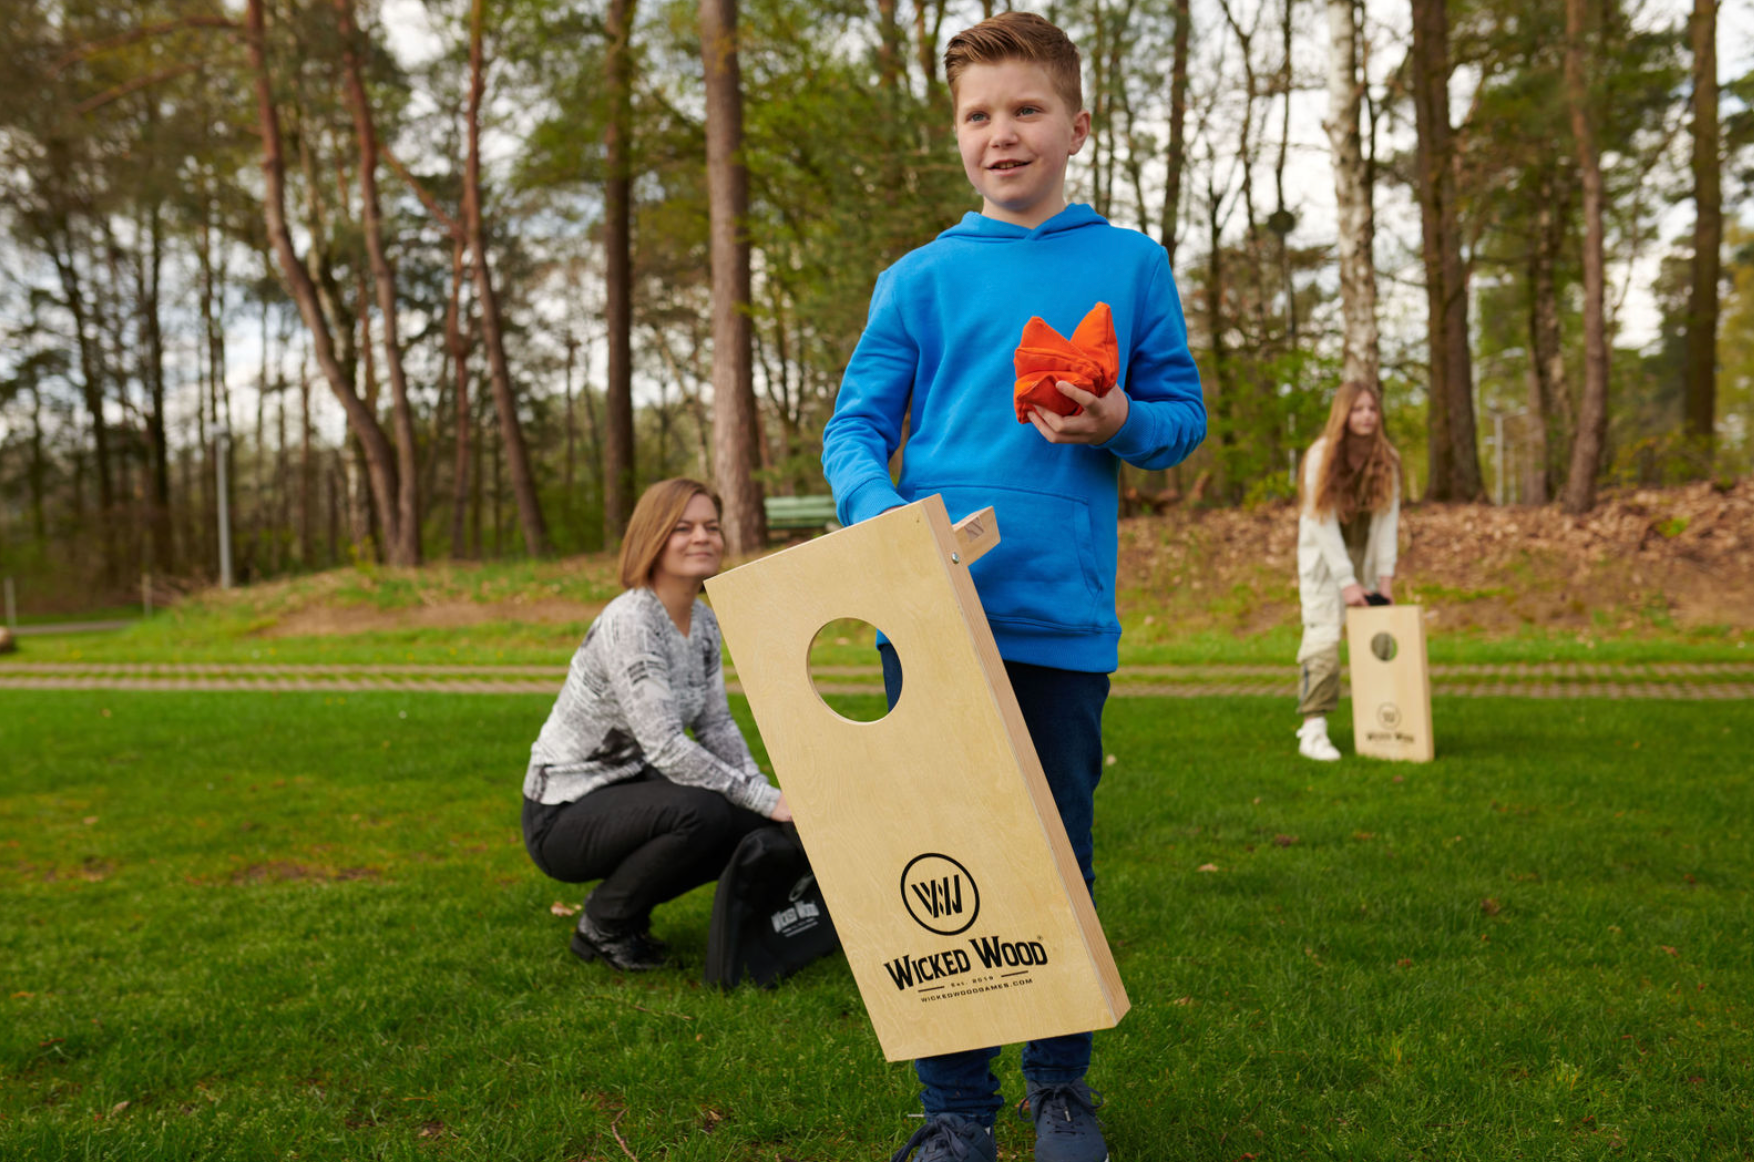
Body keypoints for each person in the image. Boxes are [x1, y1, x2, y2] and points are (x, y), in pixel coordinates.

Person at [821, 13, 1206, 1161]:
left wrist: (1120, 417)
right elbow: (853, 430)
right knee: (941, 853)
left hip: (1062, 619)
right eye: (977, 117)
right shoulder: (916, 278)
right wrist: (886, 518)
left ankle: (1060, 1089)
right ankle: (953, 1112)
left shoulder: (1128, 266)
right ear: (956, 138)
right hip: (928, 615)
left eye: (1025, 110)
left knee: (1052, 854)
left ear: (1076, 126)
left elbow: (1178, 423)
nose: (1001, 134)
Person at [521, 478, 792, 972]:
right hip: (562, 811)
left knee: (743, 821)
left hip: (630, 793)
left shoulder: (704, 621)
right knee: (704, 813)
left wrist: (761, 794)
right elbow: (667, 746)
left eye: (711, 526)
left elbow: (715, 724)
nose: (702, 537)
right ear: (653, 538)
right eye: (682, 528)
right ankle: (603, 925)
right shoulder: (632, 620)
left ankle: (626, 913)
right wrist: (764, 798)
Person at [1294, 381, 1401, 761]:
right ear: (1343, 414)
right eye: (1358, 409)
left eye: (1372, 409)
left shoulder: (1386, 458)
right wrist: (1345, 581)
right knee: (1322, 638)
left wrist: (1383, 581)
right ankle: (1313, 730)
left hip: (1366, 557)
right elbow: (1320, 522)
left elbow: (1388, 520)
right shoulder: (1322, 456)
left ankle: (1386, 726)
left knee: (1383, 642)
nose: (1367, 416)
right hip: (1327, 562)